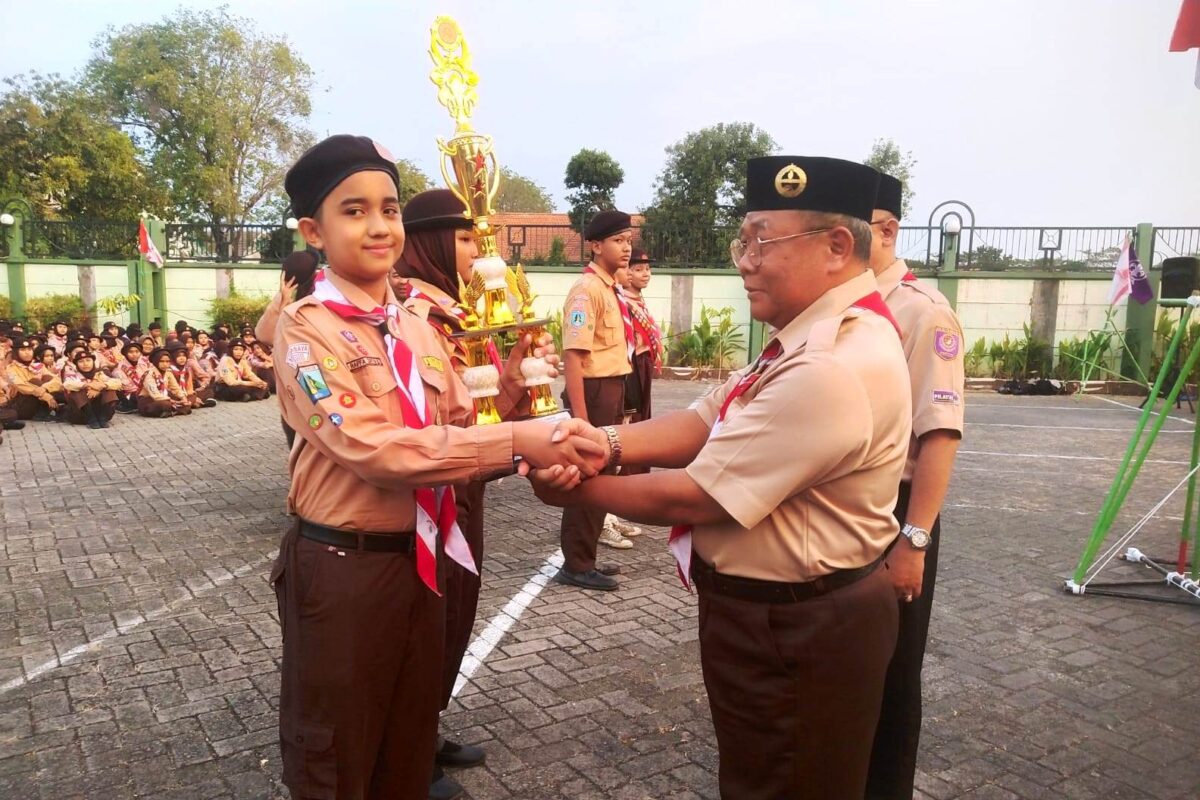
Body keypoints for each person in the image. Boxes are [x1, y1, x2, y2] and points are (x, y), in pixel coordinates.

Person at [526, 156, 911, 799]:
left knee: (782, 783)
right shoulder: (807, 337)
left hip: (799, 627)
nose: (745, 259)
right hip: (785, 615)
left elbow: (700, 493)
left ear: (837, 246)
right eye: (744, 240)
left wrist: (569, 483)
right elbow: (707, 419)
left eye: (763, 240)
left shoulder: (831, 363)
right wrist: (605, 443)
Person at [269, 134, 603, 800]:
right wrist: (519, 440)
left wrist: (517, 395)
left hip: (422, 558)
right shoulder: (307, 331)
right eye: (354, 210)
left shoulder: (417, 328)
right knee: (335, 750)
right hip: (343, 568)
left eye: (389, 209)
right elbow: (376, 451)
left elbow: (459, 434)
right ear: (314, 229)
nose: (378, 226)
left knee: (408, 736)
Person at [394, 188, 530, 799]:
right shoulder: (416, 313)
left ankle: (427, 724)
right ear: (432, 242)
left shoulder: (456, 311)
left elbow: (474, 412)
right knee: (427, 616)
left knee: (455, 608)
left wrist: (514, 389)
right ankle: (407, 751)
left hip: (463, 476)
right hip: (429, 488)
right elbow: (426, 418)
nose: (479, 252)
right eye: (468, 238)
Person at [864, 175, 966, 800]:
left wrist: (915, 538)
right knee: (849, 666)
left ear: (887, 231)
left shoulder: (922, 312)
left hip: (897, 510)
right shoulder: (838, 308)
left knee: (894, 673)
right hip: (843, 507)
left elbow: (940, 433)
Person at [555, 209, 635, 590]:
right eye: (618, 241)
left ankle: (585, 555)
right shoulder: (586, 291)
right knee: (588, 473)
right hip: (594, 392)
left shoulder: (607, 287)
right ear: (596, 245)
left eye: (628, 240)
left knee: (604, 470)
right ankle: (576, 562)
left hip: (610, 388)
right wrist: (582, 418)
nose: (626, 248)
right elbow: (573, 356)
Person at [62, 348, 120, 428]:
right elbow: (67, 384)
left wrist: (101, 387)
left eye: (88, 360)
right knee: (77, 390)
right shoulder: (74, 375)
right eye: (81, 361)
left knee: (109, 389)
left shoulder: (99, 374)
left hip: (101, 414)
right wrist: (88, 385)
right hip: (81, 415)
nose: (85, 364)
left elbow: (117, 383)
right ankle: (91, 418)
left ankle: (102, 418)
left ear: (93, 362)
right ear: (77, 364)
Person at [7, 338, 64, 420]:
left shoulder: (38, 365)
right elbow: (20, 386)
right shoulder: (11, 368)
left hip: (39, 396)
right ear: (16, 352)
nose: (27, 353)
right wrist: (42, 393)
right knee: (34, 383)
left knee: (47, 379)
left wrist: (44, 388)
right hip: (22, 402)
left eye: (29, 349)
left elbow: (57, 380)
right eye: (23, 350)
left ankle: (50, 411)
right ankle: (43, 413)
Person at [139, 347, 191, 417]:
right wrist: (174, 401)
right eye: (162, 361)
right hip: (149, 401)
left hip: (165, 398)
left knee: (187, 404)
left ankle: (170, 412)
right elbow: (155, 396)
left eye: (167, 361)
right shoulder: (149, 374)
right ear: (156, 361)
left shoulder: (168, 372)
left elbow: (175, 388)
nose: (165, 364)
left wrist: (183, 398)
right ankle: (172, 411)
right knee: (165, 405)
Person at [170, 343, 216, 409]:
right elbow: (170, 389)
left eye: (184, 356)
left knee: (207, 391)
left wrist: (201, 387)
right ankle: (193, 403)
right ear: (173, 357)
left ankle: (191, 402)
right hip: (174, 394)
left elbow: (189, 389)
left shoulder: (186, 369)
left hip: (186, 393)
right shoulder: (169, 370)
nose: (182, 358)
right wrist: (185, 397)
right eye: (178, 356)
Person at [114, 341, 149, 413]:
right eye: (131, 352)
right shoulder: (120, 368)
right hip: (130, 393)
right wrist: (144, 391)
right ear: (126, 354)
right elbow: (127, 387)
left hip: (145, 389)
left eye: (137, 351)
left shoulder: (143, 363)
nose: (134, 354)